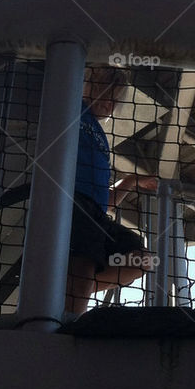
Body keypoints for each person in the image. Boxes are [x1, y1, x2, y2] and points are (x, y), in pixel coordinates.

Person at [66, 65, 158, 315]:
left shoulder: (100, 136)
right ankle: (72, 318)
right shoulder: (70, 107)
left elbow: (105, 202)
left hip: (95, 213)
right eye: (105, 94)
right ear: (88, 87)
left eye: (115, 99)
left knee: (142, 259)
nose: (110, 104)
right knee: (83, 259)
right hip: (70, 203)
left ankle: (73, 288)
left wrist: (130, 181)